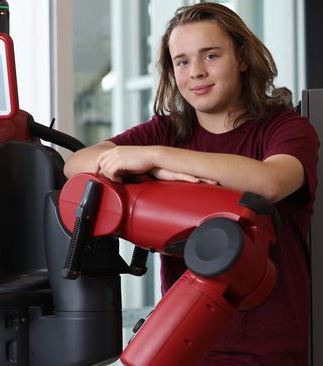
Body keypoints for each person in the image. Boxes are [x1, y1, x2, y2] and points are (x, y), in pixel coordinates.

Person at [64, 3, 318, 365]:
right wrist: (157, 170)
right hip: (183, 346)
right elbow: (76, 165)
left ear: (242, 58)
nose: (196, 72)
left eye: (210, 56)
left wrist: (155, 159)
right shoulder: (168, 130)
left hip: (268, 349)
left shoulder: (285, 128)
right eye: (181, 62)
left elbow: (271, 182)